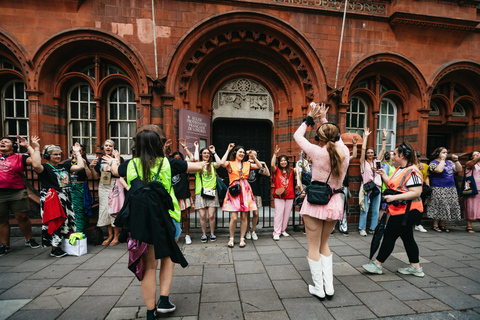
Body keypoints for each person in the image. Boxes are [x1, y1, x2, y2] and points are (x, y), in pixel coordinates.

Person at [110, 129, 207, 319]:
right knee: (168, 258)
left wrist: (114, 159)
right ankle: (164, 301)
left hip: (141, 221)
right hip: (167, 217)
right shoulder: (169, 163)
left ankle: (150, 312)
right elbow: (198, 167)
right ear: (159, 145)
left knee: (149, 266)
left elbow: (114, 170)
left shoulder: (129, 165)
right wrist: (200, 159)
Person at [293, 102, 349, 300]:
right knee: (325, 244)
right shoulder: (345, 152)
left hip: (316, 202)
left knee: (313, 246)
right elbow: (337, 139)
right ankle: (329, 287)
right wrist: (323, 119)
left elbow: (297, 136)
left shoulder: (316, 152)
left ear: (320, 138)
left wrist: (310, 117)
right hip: (334, 203)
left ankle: (319, 288)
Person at [362, 142, 425, 277]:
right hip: (402, 211)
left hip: (408, 211)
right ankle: (416, 267)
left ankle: (377, 264)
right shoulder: (400, 169)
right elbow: (393, 184)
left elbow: (416, 192)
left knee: (389, 236)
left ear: (402, 156)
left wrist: (393, 198)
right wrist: (384, 175)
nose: (393, 156)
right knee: (408, 238)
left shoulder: (412, 171)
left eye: (395, 154)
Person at [31, 139, 84, 257]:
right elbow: (35, 164)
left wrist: (77, 152)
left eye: (59, 154)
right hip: (52, 198)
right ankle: (55, 248)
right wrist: (36, 148)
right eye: (55, 154)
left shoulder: (64, 166)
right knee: (55, 221)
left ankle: (62, 245)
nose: (58, 156)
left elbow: (80, 166)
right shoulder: (45, 168)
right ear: (47, 156)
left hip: (65, 197)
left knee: (66, 222)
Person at [0, 136, 41, 256]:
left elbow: (35, 161)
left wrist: (28, 146)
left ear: (13, 146)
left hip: (17, 192)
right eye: (1, 141)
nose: (2, 142)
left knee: (22, 216)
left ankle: (29, 239)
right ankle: (5, 245)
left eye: (6, 141)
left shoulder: (19, 158)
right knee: (2, 219)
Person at [222, 144, 262, 248]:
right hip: (234, 190)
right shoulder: (230, 163)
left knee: (244, 217)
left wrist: (253, 156)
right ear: (235, 153)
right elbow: (221, 163)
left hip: (245, 190)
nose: (242, 154)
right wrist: (228, 149)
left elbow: (260, 166)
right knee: (234, 218)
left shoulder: (247, 164)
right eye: (240, 152)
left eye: (243, 152)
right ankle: (231, 238)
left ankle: (242, 238)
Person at [193, 142, 229, 243]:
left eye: (208, 153)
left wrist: (214, 152)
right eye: (204, 153)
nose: (206, 155)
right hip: (200, 193)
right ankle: (204, 234)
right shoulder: (198, 165)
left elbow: (220, 163)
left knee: (211, 215)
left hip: (212, 192)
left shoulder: (212, 165)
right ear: (201, 155)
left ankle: (212, 233)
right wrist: (196, 147)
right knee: (202, 216)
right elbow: (195, 159)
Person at [92, 140, 125, 246]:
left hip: (115, 184)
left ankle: (117, 235)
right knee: (105, 209)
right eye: (106, 145)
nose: (108, 147)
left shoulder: (119, 158)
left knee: (113, 209)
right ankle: (110, 235)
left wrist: (117, 159)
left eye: (110, 146)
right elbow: (96, 175)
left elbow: (122, 172)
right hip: (103, 185)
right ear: (103, 147)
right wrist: (92, 167)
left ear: (114, 148)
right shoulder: (100, 160)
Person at [358, 127, 387, 236]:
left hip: (377, 188)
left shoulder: (376, 162)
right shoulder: (363, 163)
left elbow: (383, 150)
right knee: (364, 209)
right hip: (366, 188)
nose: (370, 154)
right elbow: (363, 149)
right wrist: (365, 137)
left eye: (372, 152)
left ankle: (373, 228)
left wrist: (384, 138)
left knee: (375, 210)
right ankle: (362, 228)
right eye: (368, 152)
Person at [426, 147, 462, 232]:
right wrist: (442, 160)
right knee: (439, 205)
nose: (445, 154)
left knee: (447, 205)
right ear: (438, 153)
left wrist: (456, 160)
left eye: (446, 152)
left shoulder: (449, 162)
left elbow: (458, 169)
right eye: (443, 152)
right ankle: (435, 225)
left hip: (450, 187)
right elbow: (439, 170)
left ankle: (442, 224)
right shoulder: (433, 163)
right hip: (438, 187)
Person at [62, 144, 93, 234]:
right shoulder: (67, 163)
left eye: (78, 151)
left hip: (80, 188)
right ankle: (70, 231)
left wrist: (86, 166)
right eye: (74, 151)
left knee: (79, 210)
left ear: (82, 152)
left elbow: (90, 177)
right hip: (69, 187)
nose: (75, 153)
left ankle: (79, 231)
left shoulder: (85, 163)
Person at [171, 139, 194, 244]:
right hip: (172, 196)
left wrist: (185, 147)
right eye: (175, 159)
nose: (177, 161)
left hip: (183, 196)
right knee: (173, 218)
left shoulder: (185, 168)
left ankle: (187, 235)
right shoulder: (169, 168)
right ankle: (175, 235)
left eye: (179, 159)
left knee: (184, 217)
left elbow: (192, 159)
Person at [271, 146, 296, 240]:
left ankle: (283, 230)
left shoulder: (292, 170)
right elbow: (272, 165)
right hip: (279, 196)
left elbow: (300, 172)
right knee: (278, 214)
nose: (283, 162)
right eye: (281, 160)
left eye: (285, 160)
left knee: (286, 214)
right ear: (279, 162)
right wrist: (275, 154)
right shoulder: (276, 170)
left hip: (290, 195)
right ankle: (276, 232)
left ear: (287, 161)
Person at [335, 135, 357, 236]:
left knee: (343, 208)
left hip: (343, 186)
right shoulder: (332, 161)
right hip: (333, 187)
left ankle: (343, 227)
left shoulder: (346, 161)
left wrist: (355, 145)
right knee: (332, 207)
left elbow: (354, 156)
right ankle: (330, 228)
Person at [246, 150, 270, 241]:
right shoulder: (245, 164)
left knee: (255, 213)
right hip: (247, 193)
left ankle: (253, 231)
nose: (252, 156)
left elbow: (267, 174)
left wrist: (264, 163)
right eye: (251, 155)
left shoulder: (257, 167)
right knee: (247, 214)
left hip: (256, 193)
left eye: (254, 155)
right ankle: (248, 231)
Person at [463, 150, 480, 233]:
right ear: (471, 157)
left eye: (478, 154)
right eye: (475, 154)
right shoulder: (469, 164)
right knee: (471, 206)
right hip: (473, 188)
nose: (477, 155)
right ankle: (469, 226)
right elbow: (472, 162)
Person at [414, 151, 428, 233]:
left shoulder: (424, 166)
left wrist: (427, 187)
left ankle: (418, 224)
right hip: (411, 188)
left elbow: (426, 177)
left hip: (422, 187)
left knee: (420, 206)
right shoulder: (407, 166)